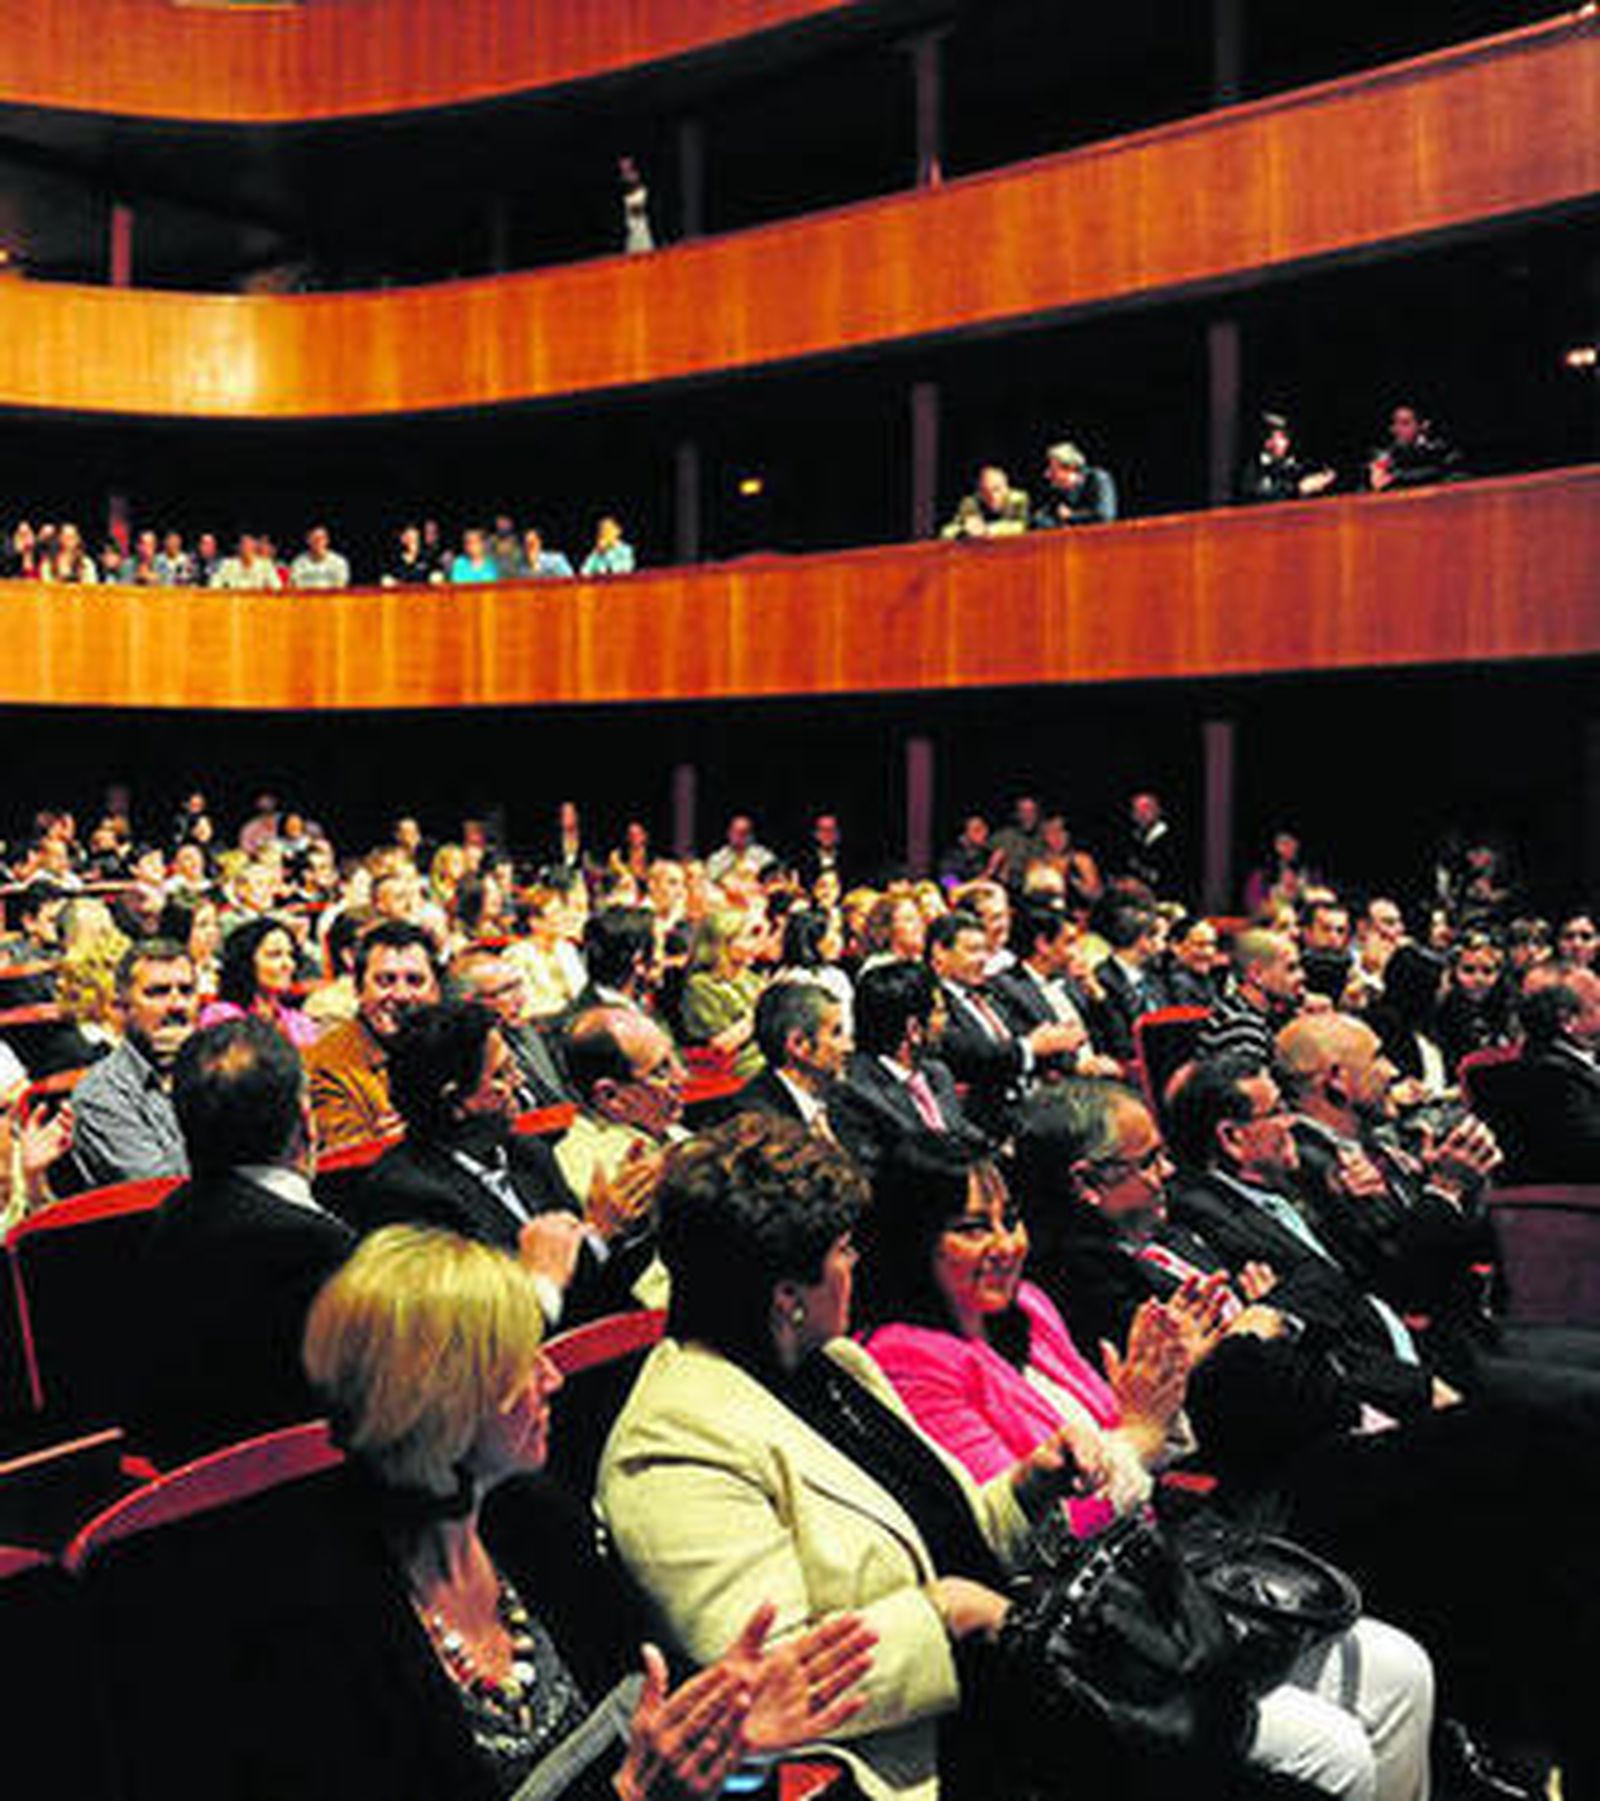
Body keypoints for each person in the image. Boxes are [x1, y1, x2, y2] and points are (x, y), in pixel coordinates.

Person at [152, 1220, 877, 1801]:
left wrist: (746, 1748)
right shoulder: (311, 1620)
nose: (554, 1376)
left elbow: (682, 1755)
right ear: (441, 1400)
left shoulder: (532, 1519)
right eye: (523, 1361)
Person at [855, 1132, 1434, 1801]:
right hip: (1079, 1633)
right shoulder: (905, 1359)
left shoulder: (1032, 1310)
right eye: (970, 1228)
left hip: (1162, 1577)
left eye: (1009, 1218)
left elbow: (1144, 1448)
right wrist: (1139, 1428)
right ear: (911, 1239)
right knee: (1333, 1754)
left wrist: (1171, 1391)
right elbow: (1028, 1539)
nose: (1005, 1244)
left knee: (1403, 1669)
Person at [598, 1113, 1121, 1801]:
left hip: (1006, 1693)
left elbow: (947, 1535)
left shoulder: (836, 1363)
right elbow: (770, 1680)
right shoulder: (673, 1445)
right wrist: (949, 1613)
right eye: (844, 1249)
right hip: (919, 1761)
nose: (858, 1265)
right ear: (787, 1294)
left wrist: (1028, 1485)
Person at [128, 1016, 354, 1466]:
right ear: (306, 1119)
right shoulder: (317, 1247)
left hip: (193, 1505)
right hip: (317, 1500)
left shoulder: (166, 1220)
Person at [354, 1001, 650, 1332]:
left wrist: (628, 1224)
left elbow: (596, 1286)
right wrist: (600, 1235)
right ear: (456, 1101)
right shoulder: (407, 1194)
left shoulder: (528, 1153)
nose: (520, 1081)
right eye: (502, 1074)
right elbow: (483, 1329)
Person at [69, 938, 198, 1187]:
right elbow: (161, 1192)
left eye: (186, 991)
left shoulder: (219, 1070)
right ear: (122, 1007)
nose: (177, 1005)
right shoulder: (101, 1094)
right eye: (158, 992)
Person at [306, 920, 442, 1150]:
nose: (401, 995)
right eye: (385, 981)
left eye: (415, 981)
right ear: (358, 990)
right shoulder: (324, 1065)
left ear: (437, 991)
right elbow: (342, 1161)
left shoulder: (459, 1044)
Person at [732, 981, 852, 1134]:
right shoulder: (757, 1121)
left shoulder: (844, 1096)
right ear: (798, 1044)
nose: (849, 1046)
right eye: (836, 1033)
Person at [199, 915, 318, 1049]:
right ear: (246, 962)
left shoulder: (299, 1022)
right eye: (274, 955)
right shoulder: (221, 1017)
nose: (288, 964)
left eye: (290, 955)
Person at [679, 908, 767, 1080]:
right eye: (748, 937)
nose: (756, 944)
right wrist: (761, 1011)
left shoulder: (750, 978)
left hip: (766, 1056)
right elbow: (721, 1045)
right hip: (736, 1067)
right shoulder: (700, 986)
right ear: (723, 944)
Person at [1236, 414, 1336, 504]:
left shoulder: (1292, 465)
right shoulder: (1252, 468)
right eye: (1280, 437)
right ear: (1267, 442)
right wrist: (1298, 489)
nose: (1285, 443)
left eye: (1285, 437)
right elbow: (1258, 497)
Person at [1367, 405, 1462, 492]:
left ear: (1423, 426)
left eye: (1405, 423)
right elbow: (1378, 480)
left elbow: (1448, 471)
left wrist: (1397, 477)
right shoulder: (1387, 451)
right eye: (1395, 423)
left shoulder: (1442, 448)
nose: (1397, 429)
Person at [1031, 440, 1117, 527]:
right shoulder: (1057, 491)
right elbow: (1040, 519)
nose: (1047, 475)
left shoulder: (1098, 479)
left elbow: (1104, 517)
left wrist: (1071, 516)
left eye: (1053, 470)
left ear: (1071, 468)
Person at [940, 464, 1029, 539]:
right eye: (985, 491)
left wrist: (986, 530)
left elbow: (1021, 527)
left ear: (1006, 488)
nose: (992, 496)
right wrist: (964, 530)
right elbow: (947, 532)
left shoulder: (1018, 499)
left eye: (996, 489)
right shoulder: (971, 503)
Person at [289, 524, 351, 590]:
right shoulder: (298, 563)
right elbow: (295, 587)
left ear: (327, 540)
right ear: (307, 541)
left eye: (321, 538)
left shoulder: (338, 562)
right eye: (314, 539)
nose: (318, 542)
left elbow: (341, 587)